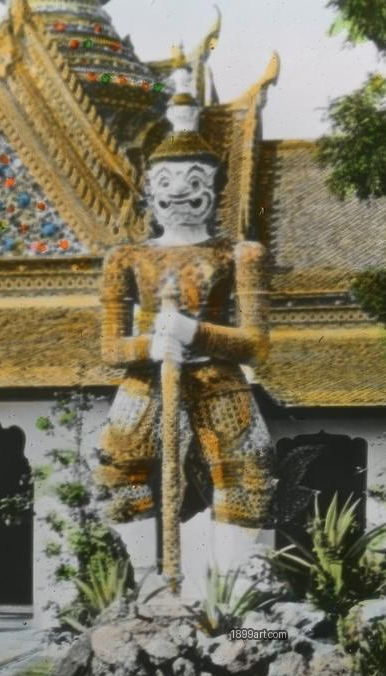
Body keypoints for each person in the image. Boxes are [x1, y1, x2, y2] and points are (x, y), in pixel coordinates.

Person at [98, 56, 275, 528]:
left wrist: (193, 332)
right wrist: (151, 344)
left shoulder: (239, 254)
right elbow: (111, 348)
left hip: (217, 378)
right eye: (165, 183)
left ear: (214, 188)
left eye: (194, 181)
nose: (179, 193)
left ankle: (235, 591)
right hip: (149, 375)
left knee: (248, 478)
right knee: (119, 473)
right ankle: (143, 587)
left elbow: (256, 346)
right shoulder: (126, 259)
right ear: (150, 191)